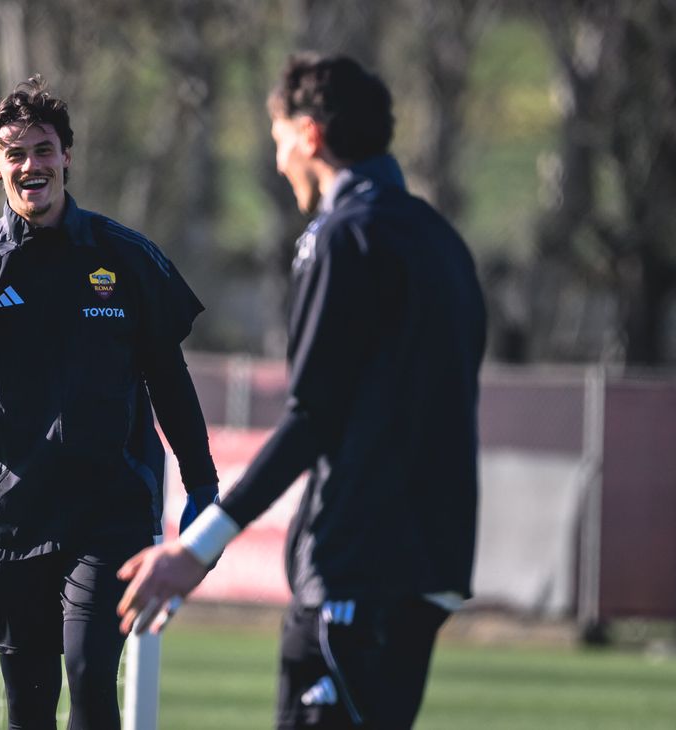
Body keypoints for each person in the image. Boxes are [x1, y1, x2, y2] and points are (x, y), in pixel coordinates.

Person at [118, 53, 487, 729]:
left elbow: (314, 414)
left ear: (310, 135)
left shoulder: (341, 236)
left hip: (355, 568)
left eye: (281, 138)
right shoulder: (444, 242)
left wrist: (198, 545)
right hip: (432, 566)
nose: (281, 158)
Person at [0, 76, 219, 730]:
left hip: (110, 513)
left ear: (67, 158)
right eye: (16, 153)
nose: (33, 165)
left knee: (89, 676)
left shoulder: (128, 259)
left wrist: (203, 485)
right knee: (28, 705)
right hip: (9, 517)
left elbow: (169, 379)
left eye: (45, 150)